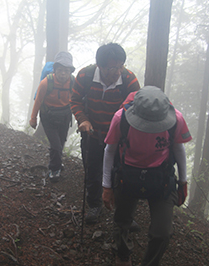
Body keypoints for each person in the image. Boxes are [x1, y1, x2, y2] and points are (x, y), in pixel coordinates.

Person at [102, 86, 192, 266]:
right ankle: (123, 254)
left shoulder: (176, 119)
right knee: (122, 221)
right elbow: (110, 151)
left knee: (162, 232)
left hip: (161, 178)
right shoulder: (121, 118)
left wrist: (183, 182)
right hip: (127, 174)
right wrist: (106, 186)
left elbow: (178, 149)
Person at [70, 43, 140, 224]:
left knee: (121, 172)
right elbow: (75, 100)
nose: (117, 72)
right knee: (92, 171)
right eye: (112, 68)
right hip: (92, 133)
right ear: (99, 65)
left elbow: (135, 107)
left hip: (119, 138)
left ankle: (122, 211)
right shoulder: (85, 76)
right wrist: (83, 119)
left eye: (120, 66)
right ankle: (94, 205)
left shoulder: (129, 80)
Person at [30, 51, 75, 183]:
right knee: (55, 145)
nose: (63, 74)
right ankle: (54, 169)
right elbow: (38, 100)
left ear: (70, 72)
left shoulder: (73, 82)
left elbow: (77, 99)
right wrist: (33, 118)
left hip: (65, 116)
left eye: (66, 71)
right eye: (60, 70)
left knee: (60, 143)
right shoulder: (46, 83)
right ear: (55, 70)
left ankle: (57, 162)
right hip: (48, 117)